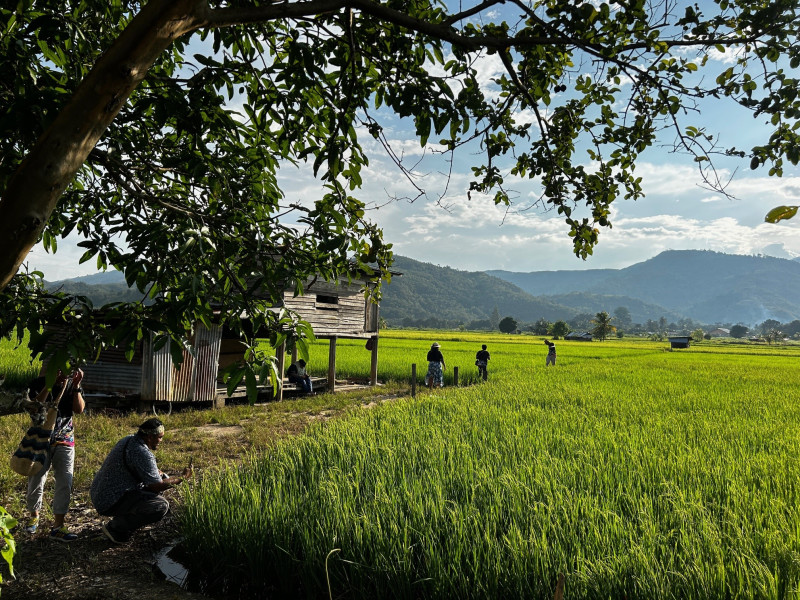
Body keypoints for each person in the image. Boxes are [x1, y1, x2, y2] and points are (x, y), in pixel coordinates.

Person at [90, 418, 192, 544]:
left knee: (153, 491)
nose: (161, 441)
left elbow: (143, 468)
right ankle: (115, 528)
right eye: (160, 437)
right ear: (149, 437)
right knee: (160, 506)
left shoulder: (128, 440)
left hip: (99, 494)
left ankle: (123, 518)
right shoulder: (142, 452)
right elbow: (156, 486)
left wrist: (161, 474)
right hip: (109, 501)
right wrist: (182, 478)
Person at [24, 368, 85, 542]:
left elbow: (79, 409)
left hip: (65, 439)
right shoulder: (38, 383)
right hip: (41, 439)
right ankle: (33, 515)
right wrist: (50, 385)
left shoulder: (73, 385)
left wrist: (77, 386)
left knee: (65, 480)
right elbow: (33, 408)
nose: (64, 373)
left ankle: (58, 526)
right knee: (36, 477)